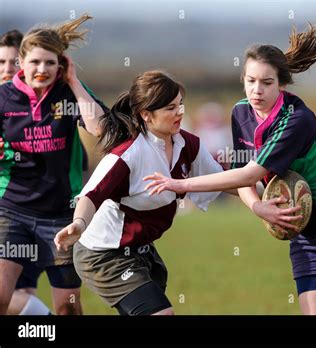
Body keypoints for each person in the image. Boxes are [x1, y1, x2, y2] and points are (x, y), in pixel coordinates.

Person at [144, 24, 316, 315]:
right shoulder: (240, 112)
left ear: (281, 85)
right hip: (303, 230)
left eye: (266, 82)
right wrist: (258, 207)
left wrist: (181, 185)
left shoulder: (298, 119)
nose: (256, 90)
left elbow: (250, 173)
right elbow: (243, 177)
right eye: (250, 80)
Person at [54, 70, 227, 315]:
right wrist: (79, 224)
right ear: (146, 115)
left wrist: (261, 199)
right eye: (170, 108)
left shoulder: (188, 144)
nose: (180, 112)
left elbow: (220, 180)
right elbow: (91, 196)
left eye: (180, 105)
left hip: (141, 251)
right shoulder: (127, 155)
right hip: (103, 255)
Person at [0, 14, 107, 315]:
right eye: (35, 62)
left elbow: (99, 128)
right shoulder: (3, 99)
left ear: (61, 64)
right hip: (12, 211)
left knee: (67, 309)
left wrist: (73, 82)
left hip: (62, 214)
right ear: (21, 62)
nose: (42, 69)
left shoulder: (67, 93)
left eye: (50, 62)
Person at [0, 29, 52, 315]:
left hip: (25, 213)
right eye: (0, 62)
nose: (8, 69)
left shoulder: (47, 106)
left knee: (19, 295)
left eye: (13, 62)